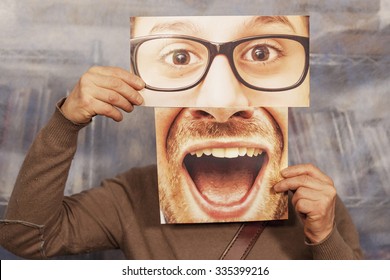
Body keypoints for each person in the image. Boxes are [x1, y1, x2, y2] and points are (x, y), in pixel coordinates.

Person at [0, 15, 362, 259]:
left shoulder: (314, 202)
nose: (222, 103)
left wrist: (324, 237)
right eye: (179, 56)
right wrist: (66, 122)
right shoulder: (130, 197)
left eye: (260, 53)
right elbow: (27, 237)